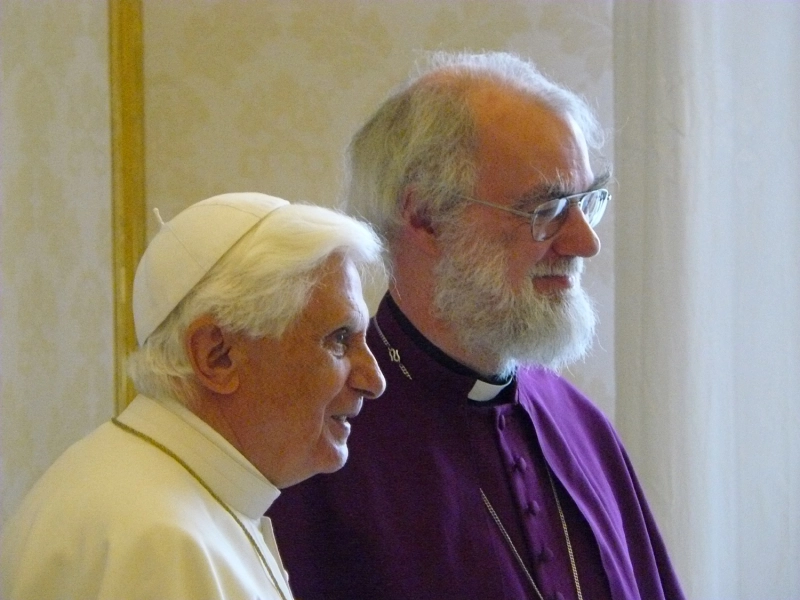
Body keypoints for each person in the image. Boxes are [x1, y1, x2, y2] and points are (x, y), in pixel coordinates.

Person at [269, 52, 686, 600]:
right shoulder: (316, 445)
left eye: (589, 202)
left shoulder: (580, 425)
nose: (585, 242)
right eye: (549, 208)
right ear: (425, 217)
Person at [0, 192, 386, 600]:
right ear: (217, 356)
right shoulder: (158, 541)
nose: (373, 379)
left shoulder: (168, 499)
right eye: (340, 339)